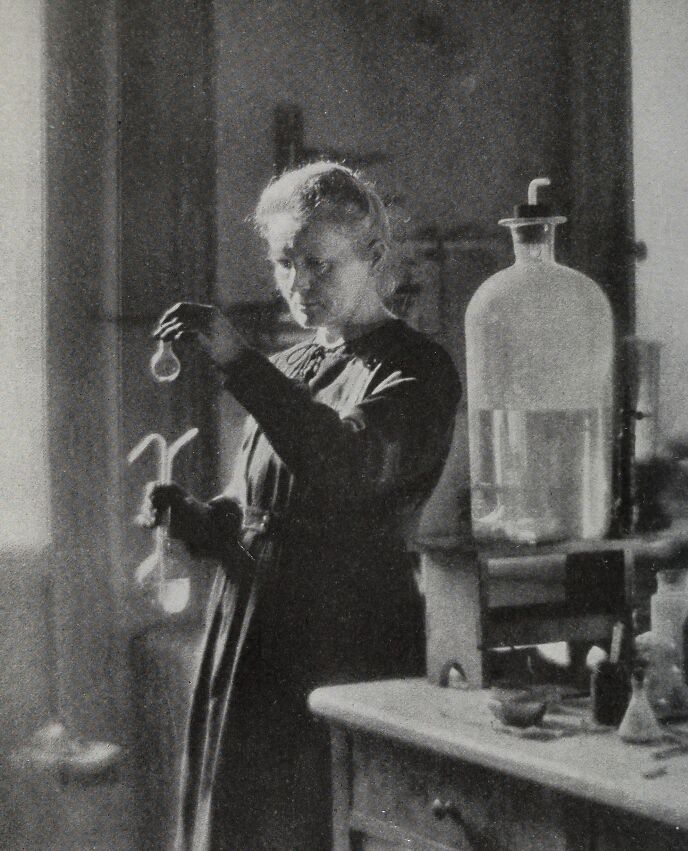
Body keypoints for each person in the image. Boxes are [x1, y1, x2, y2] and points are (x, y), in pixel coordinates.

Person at [142, 161, 461, 850]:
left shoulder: (416, 369)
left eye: (319, 264)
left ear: (372, 256)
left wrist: (235, 358)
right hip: (251, 637)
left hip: (340, 640)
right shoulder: (290, 369)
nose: (299, 285)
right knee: (240, 825)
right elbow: (252, 509)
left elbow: (345, 467)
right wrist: (198, 520)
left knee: (314, 823)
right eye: (285, 264)